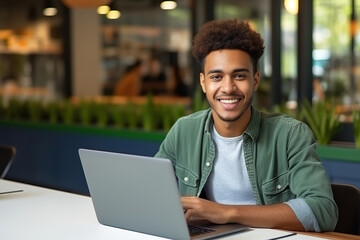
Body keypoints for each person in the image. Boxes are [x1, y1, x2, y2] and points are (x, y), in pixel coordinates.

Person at [154, 19, 338, 232]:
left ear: (255, 80)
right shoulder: (184, 131)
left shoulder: (291, 135)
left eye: (239, 75)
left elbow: (322, 210)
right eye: (217, 76)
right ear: (203, 83)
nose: (228, 87)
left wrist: (225, 213)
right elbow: (150, 193)